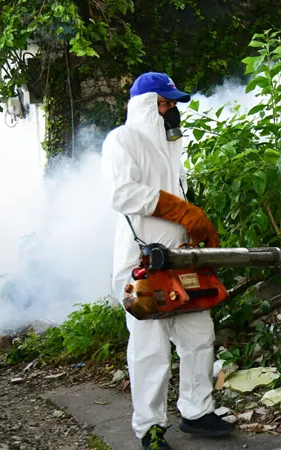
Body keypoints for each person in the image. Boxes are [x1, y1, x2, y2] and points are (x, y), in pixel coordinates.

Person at [100, 72, 235, 450]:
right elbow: (122, 193)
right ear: (145, 106)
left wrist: (196, 230)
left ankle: (197, 412)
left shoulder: (173, 147)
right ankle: (150, 429)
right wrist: (181, 209)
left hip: (180, 264)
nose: (172, 108)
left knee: (199, 338)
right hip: (141, 267)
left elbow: (181, 210)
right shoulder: (123, 139)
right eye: (164, 102)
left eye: (173, 102)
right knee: (150, 350)